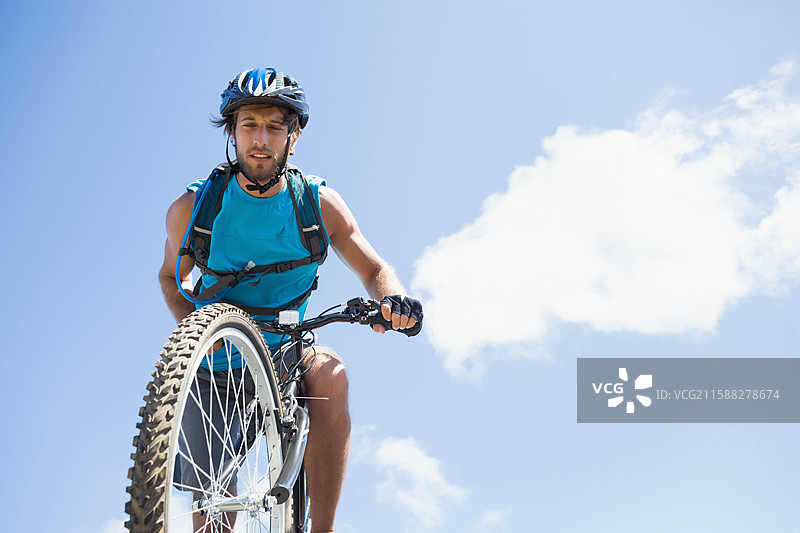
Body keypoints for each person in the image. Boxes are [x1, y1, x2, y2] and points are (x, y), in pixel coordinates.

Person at [158, 67, 423, 532]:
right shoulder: (194, 209)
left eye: (274, 127)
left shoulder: (315, 204)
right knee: (213, 518)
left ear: (293, 136)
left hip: (286, 347)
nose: (260, 139)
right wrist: (194, 334)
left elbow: (375, 269)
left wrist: (393, 300)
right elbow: (169, 279)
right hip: (213, 360)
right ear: (232, 134)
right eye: (248, 126)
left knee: (331, 375)